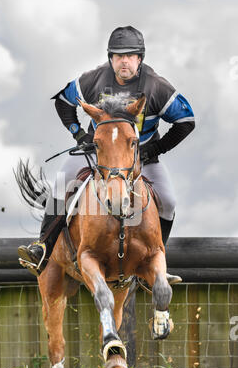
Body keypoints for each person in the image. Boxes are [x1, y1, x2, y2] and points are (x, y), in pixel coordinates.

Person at [18, 26, 195, 282]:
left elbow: (186, 121)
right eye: (118, 55)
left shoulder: (157, 86)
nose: (124, 61)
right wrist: (79, 134)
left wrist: (153, 149)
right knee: (60, 186)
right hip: (98, 153)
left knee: (168, 201)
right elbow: (63, 101)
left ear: (140, 59)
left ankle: (155, 266)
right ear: (110, 58)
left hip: (141, 157)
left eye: (130, 55)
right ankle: (42, 247)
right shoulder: (94, 79)